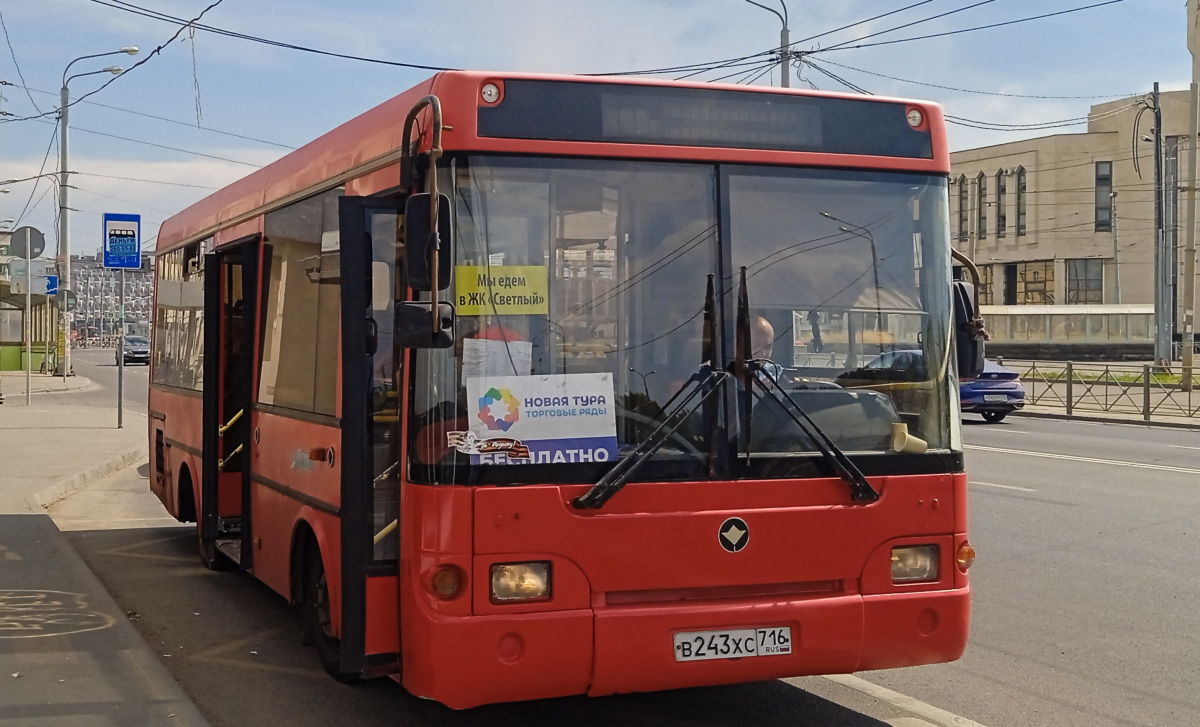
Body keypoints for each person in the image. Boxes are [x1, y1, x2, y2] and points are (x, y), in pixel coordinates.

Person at [750, 315, 784, 385]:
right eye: (755, 346)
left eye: (768, 347)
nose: (763, 354)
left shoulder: (775, 372)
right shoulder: (729, 379)